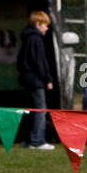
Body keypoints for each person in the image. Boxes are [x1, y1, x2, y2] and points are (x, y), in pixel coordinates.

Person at [16, 11, 55, 150]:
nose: (47, 28)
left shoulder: (27, 38)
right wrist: (47, 78)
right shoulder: (36, 39)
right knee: (40, 110)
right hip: (36, 80)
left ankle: (28, 140)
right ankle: (38, 140)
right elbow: (40, 62)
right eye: (45, 25)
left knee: (31, 110)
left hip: (27, 79)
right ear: (38, 24)